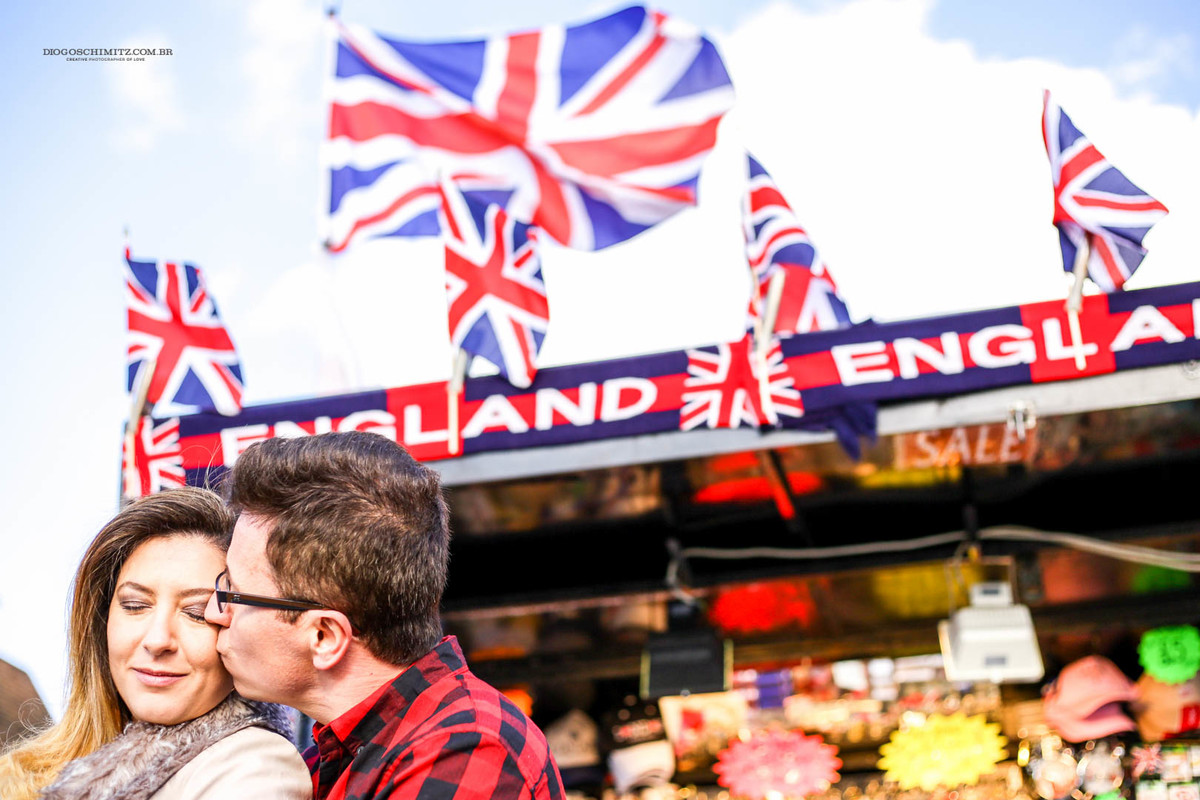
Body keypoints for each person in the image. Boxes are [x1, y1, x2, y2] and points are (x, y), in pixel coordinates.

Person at [204, 431, 565, 800]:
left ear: (324, 636)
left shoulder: (462, 749)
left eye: (233, 591)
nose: (214, 612)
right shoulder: (343, 753)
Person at [0, 487, 312, 800]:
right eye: (135, 605)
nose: (158, 640)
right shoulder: (22, 773)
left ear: (238, 628)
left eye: (196, 613)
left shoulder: (254, 767)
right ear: (102, 622)